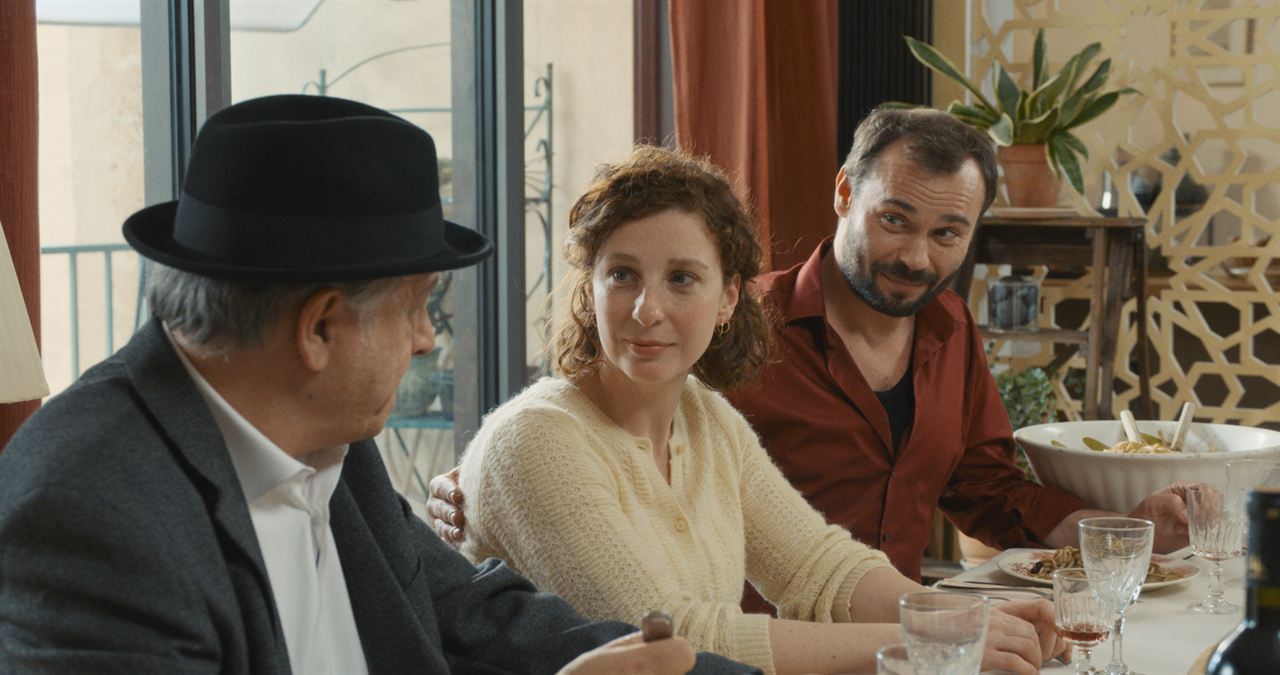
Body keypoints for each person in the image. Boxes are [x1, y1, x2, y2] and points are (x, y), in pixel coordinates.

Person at [0, 95, 756, 675]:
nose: (428, 335)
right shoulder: (86, 514)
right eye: (416, 304)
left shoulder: (332, 444)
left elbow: (476, 614)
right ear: (320, 329)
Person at [427, 108, 1190, 606]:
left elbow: (982, 489)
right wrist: (487, 481)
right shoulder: (732, 320)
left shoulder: (949, 329)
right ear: (842, 195)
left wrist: (1111, 526)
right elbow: (602, 407)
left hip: (878, 633)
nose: (916, 255)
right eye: (894, 219)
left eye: (947, 234)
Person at [449, 145, 1065, 675]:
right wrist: (928, 637)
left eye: (683, 279)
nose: (647, 310)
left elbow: (817, 566)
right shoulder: (535, 440)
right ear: (591, 287)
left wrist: (965, 615)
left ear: (728, 298)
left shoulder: (704, 417)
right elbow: (672, 640)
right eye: (623, 275)